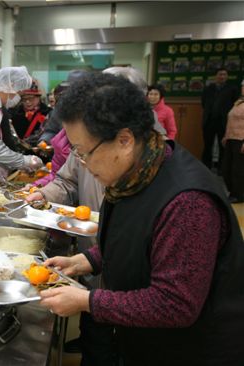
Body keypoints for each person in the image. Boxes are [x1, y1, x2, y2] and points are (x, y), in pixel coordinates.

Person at [39, 72, 244, 366]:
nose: (81, 164)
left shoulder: (187, 203)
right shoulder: (132, 175)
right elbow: (136, 237)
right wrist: (87, 261)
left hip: (192, 350)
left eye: (84, 153)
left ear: (124, 140)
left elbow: (175, 304)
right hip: (145, 340)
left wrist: (87, 301)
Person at [201, 68, 240, 169]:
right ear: (216, 76)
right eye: (220, 74)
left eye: (224, 74)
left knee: (223, 146)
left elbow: (235, 104)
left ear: (227, 76)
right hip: (209, 121)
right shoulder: (208, 88)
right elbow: (203, 103)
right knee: (207, 145)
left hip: (223, 122)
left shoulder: (232, 89)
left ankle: (222, 168)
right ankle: (206, 167)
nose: (222, 76)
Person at [221, 96, 244, 203]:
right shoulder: (237, 102)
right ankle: (232, 192)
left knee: (237, 169)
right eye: (243, 87)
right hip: (231, 138)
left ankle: (239, 195)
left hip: (241, 139)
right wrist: (226, 136)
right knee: (226, 168)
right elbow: (230, 121)